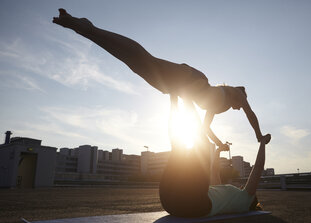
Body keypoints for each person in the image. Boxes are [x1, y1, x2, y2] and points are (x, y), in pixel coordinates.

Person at [52, 9, 269, 149]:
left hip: (180, 90)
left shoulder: (215, 108)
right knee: (147, 60)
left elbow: (204, 128)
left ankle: (85, 30)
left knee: (136, 64)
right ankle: (90, 28)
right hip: (191, 79)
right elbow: (251, 114)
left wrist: (219, 144)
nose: (240, 108)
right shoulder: (237, 93)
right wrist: (259, 136)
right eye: (241, 105)